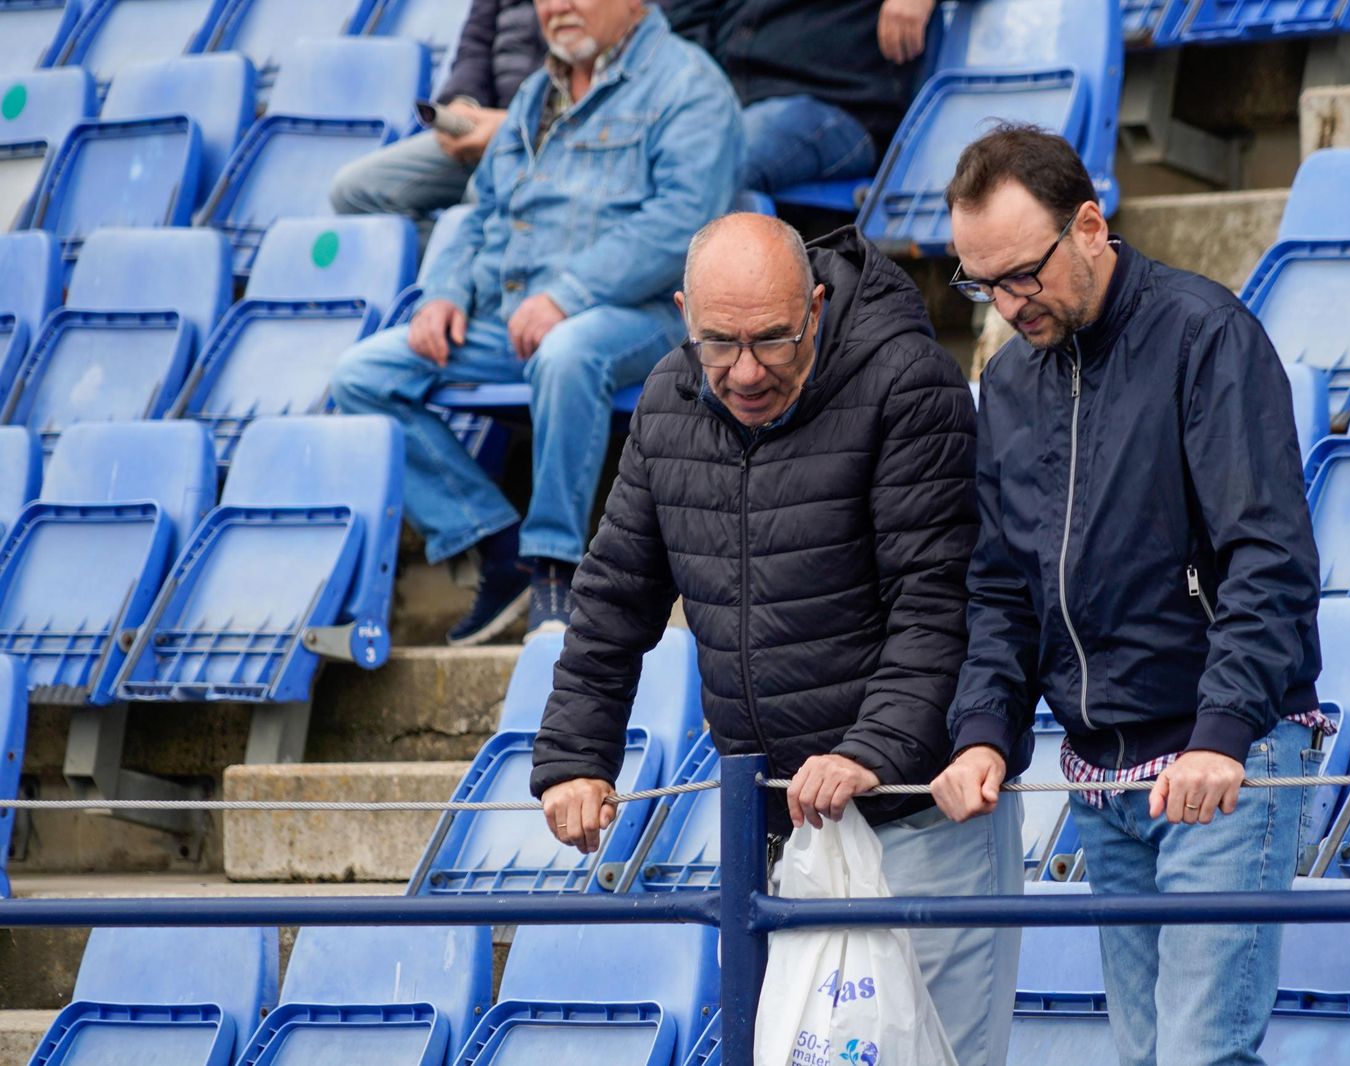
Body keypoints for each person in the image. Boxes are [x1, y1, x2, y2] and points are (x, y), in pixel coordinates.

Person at [531, 213, 1024, 1065]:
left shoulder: (910, 386)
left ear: (818, 306)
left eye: (773, 341)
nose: (747, 371)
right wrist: (577, 754)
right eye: (719, 343)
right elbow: (612, 597)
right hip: (779, 836)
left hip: (919, 822)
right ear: (685, 314)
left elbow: (938, 604)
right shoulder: (665, 399)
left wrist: (871, 748)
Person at [929, 125, 1326, 1066]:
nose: (1008, 302)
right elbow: (1001, 589)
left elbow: (1267, 557)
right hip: (1103, 777)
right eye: (981, 283)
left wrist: (1223, 736)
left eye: (1023, 273)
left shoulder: (1206, 335)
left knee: (1199, 1057)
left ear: (1092, 226)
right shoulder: (1011, 380)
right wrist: (985, 728)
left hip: (1220, 763)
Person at [329, 0, 743, 643]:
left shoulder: (690, 85)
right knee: (361, 374)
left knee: (567, 352)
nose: (557, 7)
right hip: (517, 310)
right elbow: (483, 212)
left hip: (650, 310)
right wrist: (445, 292)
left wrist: (568, 293)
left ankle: (556, 568)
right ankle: (498, 546)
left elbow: (682, 226)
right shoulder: (532, 95)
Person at [664, 0, 937, 192]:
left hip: (837, 104)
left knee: (705, 164)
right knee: (645, 158)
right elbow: (686, 20)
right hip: (725, 103)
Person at [330, 0, 546, 237]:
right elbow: (476, 41)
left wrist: (516, 125)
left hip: (547, 134)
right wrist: (464, 101)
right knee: (353, 191)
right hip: (483, 126)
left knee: (482, 195)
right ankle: (460, 259)